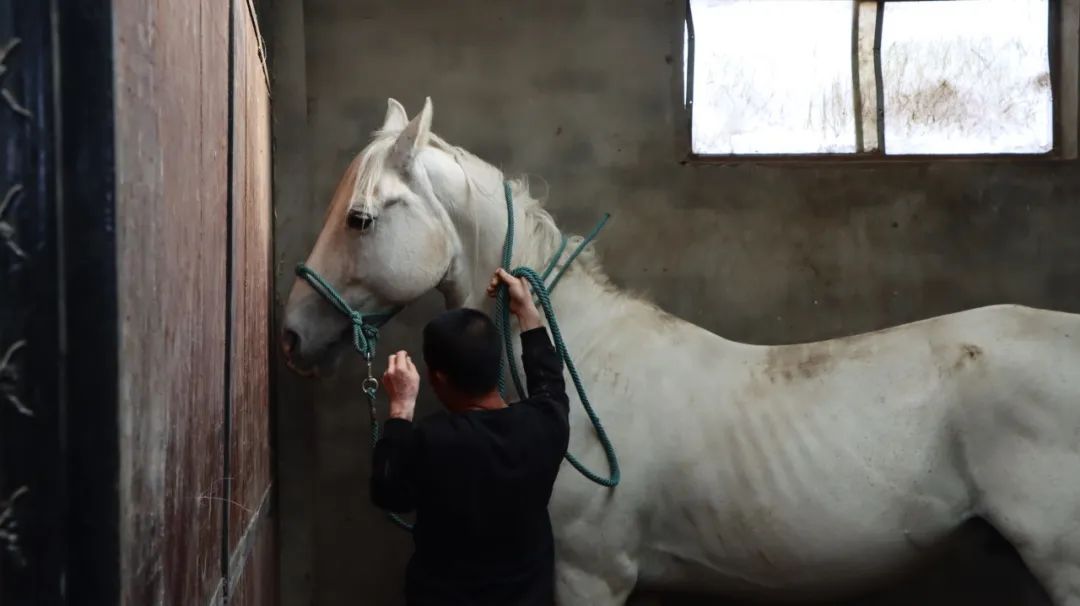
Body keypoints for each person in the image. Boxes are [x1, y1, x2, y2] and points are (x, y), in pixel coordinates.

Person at [372, 268, 570, 606]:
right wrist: (528, 313)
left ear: (439, 380)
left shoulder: (432, 441)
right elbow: (549, 383)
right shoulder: (545, 424)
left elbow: (390, 493)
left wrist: (401, 407)